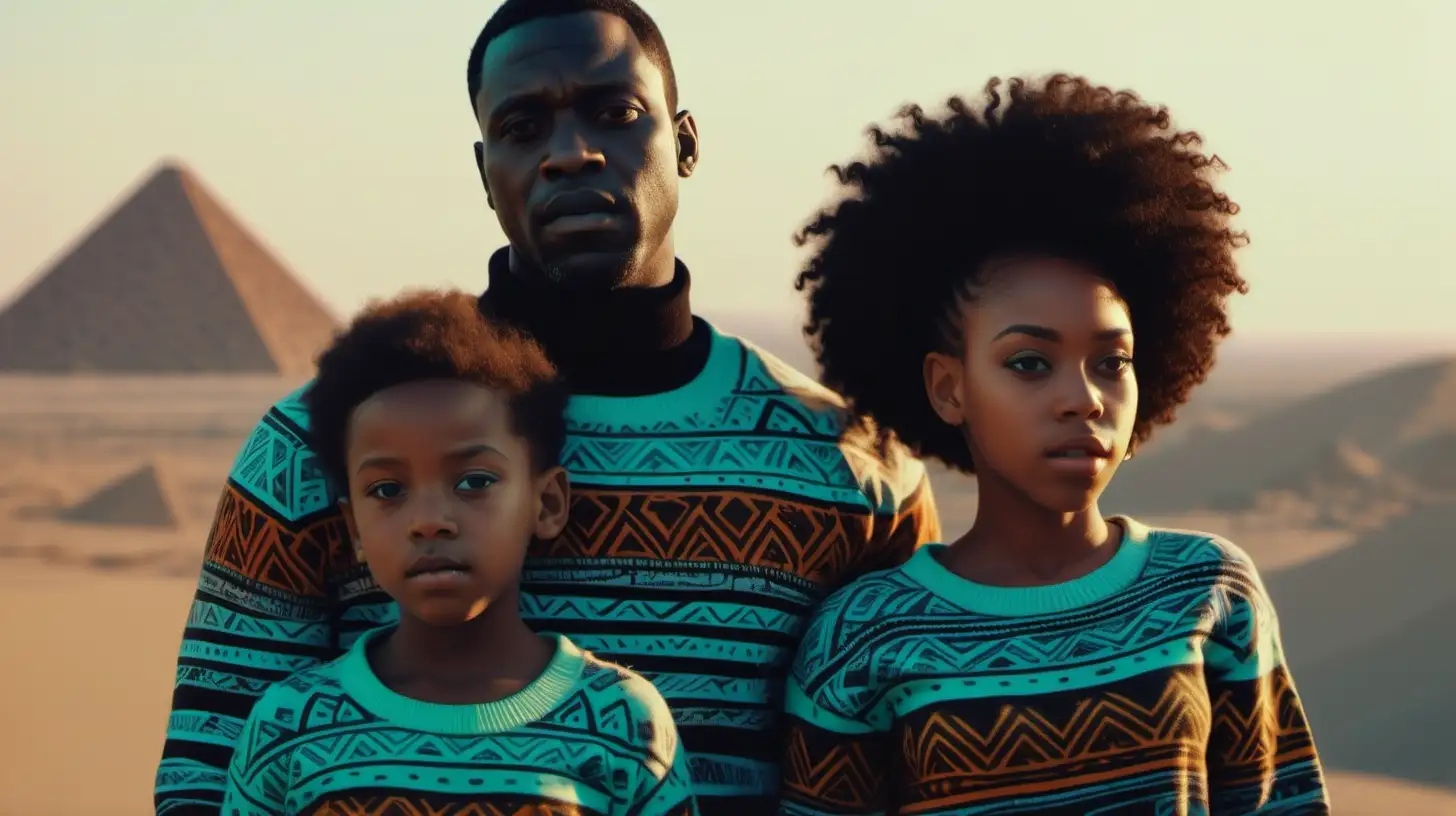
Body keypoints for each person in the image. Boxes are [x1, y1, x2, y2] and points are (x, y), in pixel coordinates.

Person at [153, 1, 939, 812]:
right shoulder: (316, 449)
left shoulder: (850, 466)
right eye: (525, 128)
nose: (572, 154)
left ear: (688, 141)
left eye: (616, 113)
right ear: (485, 169)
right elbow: (205, 783)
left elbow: (896, 774)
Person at [778, 75, 1329, 815]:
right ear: (948, 388)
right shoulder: (861, 638)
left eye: (1113, 361)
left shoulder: (1208, 591)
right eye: (1029, 363)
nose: (1084, 397)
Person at [219, 290, 696, 815]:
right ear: (354, 527)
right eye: (387, 490)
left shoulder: (623, 723)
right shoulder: (289, 726)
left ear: (548, 502)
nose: (429, 521)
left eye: (474, 481)